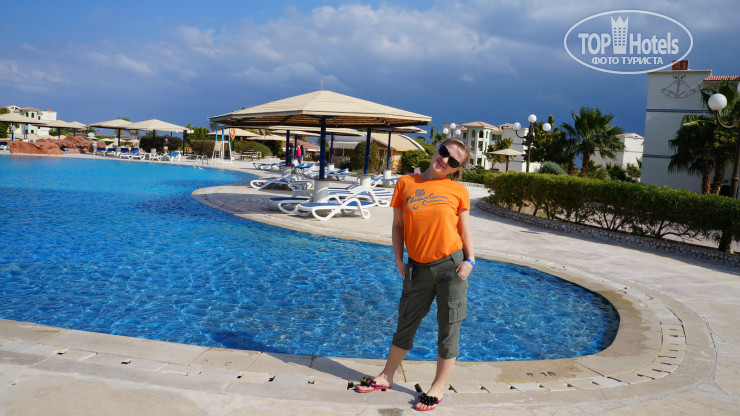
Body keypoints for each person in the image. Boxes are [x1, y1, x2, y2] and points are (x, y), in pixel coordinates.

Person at [355, 138, 475, 412]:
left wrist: (470, 260)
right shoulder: (406, 183)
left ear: (456, 169)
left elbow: (465, 231)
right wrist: (399, 260)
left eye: (453, 161)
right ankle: (386, 376)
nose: (444, 160)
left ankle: (438, 387)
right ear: (437, 149)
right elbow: (398, 226)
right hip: (417, 267)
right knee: (406, 322)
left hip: (452, 267)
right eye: (443, 152)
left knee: (449, 326)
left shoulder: (458, 190)